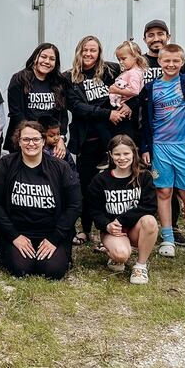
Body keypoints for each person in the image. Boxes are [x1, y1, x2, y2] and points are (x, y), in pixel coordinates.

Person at [139, 43, 185, 258]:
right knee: (164, 192)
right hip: (160, 147)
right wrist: (145, 147)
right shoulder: (150, 88)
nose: (171, 64)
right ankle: (168, 238)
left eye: (175, 61)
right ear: (159, 61)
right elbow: (143, 120)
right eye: (166, 61)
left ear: (181, 62)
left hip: (184, 147)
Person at [0, 121, 82, 280]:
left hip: (51, 232)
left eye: (36, 139)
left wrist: (54, 238)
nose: (31, 143)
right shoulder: (7, 164)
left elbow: (75, 205)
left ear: (43, 141)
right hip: (18, 232)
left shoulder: (61, 167)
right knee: (21, 268)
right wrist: (14, 236)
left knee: (53, 270)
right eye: (25, 139)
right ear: (19, 142)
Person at [63, 36, 130, 248]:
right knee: (86, 186)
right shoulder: (70, 77)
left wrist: (128, 106)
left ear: (99, 52)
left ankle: (111, 229)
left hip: (110, 141)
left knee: (111, 187)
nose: (89, 54)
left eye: (93, 50)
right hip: (86, 141)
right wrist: (105, 114)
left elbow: (132, 88)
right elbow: (76, 106)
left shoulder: (110, 71)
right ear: (78, 51)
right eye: (85, 50)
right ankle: (85, 228)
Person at [142, 19, 185, 246]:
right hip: (146, 131)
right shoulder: (138, 62)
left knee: (177, 188)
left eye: (160, 34)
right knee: (152, 182)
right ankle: (146, 223)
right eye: (151, 35)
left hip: (176, 138)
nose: (156, 38)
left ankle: (174, 227)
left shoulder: (178, 63)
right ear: (145, 39)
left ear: (167, 37)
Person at [87, 135, 158, 285]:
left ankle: (140, 266)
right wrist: (107, 225)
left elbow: (150, 206)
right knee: (121, 255)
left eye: (126, 153)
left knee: (150, 221)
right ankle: (114, 255)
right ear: (110, 155)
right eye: (117, 154)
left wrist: (121, 220)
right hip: (112, 229)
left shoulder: (144, 177)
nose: (122, 158)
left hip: (135, 228)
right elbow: (94, 210)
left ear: (134, 153)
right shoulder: (100, 180)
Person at [5, 43, 68, 158]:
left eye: (52, 59)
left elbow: (63, 115)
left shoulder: (59, 82)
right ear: (35, 57)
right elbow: (16, 113)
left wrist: (60, 138)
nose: (47, 61)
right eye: (43, 57)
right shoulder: (19, 79)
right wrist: (34, 137)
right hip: (25, 140)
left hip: (51, 142)